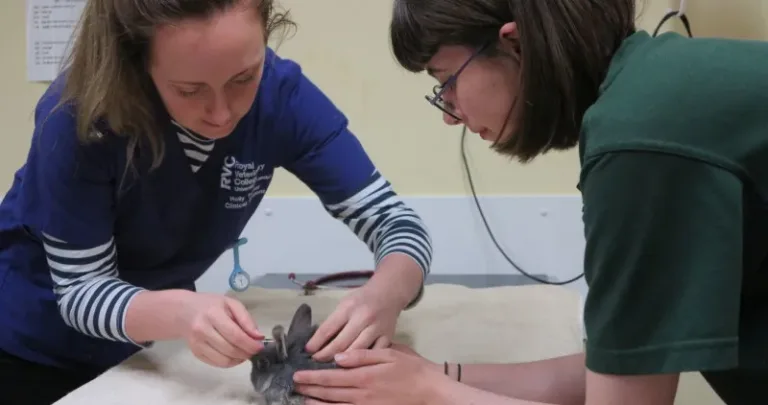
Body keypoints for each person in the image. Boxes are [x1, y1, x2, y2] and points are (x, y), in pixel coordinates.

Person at [291, 1, 768, 405]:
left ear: (515, 44)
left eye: (446, 79)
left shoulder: (640, 141)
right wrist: (437, 374)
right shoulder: (656, 92)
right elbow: (622, 368)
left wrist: (430, 393)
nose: (450, 114)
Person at [0, 0, 433, 404]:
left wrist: (385, 294)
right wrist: (183, 313)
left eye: (244, 78)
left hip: (141, 352)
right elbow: (79, 293)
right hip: (30, 349)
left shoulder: (284, 100)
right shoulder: (79, 117)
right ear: (138, 61)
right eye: (190, 90)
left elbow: (395, 221)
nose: (222, 113)